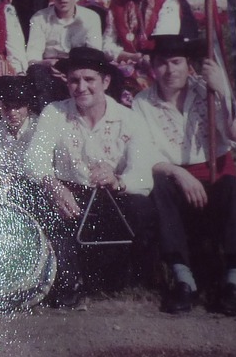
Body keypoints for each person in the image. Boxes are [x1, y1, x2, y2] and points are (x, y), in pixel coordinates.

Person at [131, 35, 236, 316]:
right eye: (162, 64)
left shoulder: (207, 92)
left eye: (177, 62)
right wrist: (177, 173)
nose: (170, 70)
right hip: (176, 183)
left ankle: (235, 281)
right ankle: (183, 280)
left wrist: (224, 92)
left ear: (189, 65)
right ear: (153, 67)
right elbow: (143, 153)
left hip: (213, 178)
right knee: (159, 185)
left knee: (235, 188)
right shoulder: (142, 103)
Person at [22, 46, 159, 305]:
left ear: (106, 82)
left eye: (89, 80)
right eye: (74, 80)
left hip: (112, 199)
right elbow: (34, 158)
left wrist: (118, 180)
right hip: (69, 196)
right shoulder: (55, 112)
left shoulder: (129, 119)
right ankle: (68, 281)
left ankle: (128, 277)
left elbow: (143, 175)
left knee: (143, 208)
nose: (81, 87)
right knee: (39, 199)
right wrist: (54, 186)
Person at [105, 0, 191, 92]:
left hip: (161, 60)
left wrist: (147, 57)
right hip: (129, 61)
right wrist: (130, 56)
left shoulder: (166, 0)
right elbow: (107, 43)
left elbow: (165, 37)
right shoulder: (118, 5)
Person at [25, 0, 105, 102]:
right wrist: (47, 64)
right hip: (50, 70)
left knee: (112, 73)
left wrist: (73, 70)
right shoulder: (39, 18)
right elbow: (32, 58)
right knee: (36, 74)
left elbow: (95, 53)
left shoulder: (91, 18)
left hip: (81, 68)